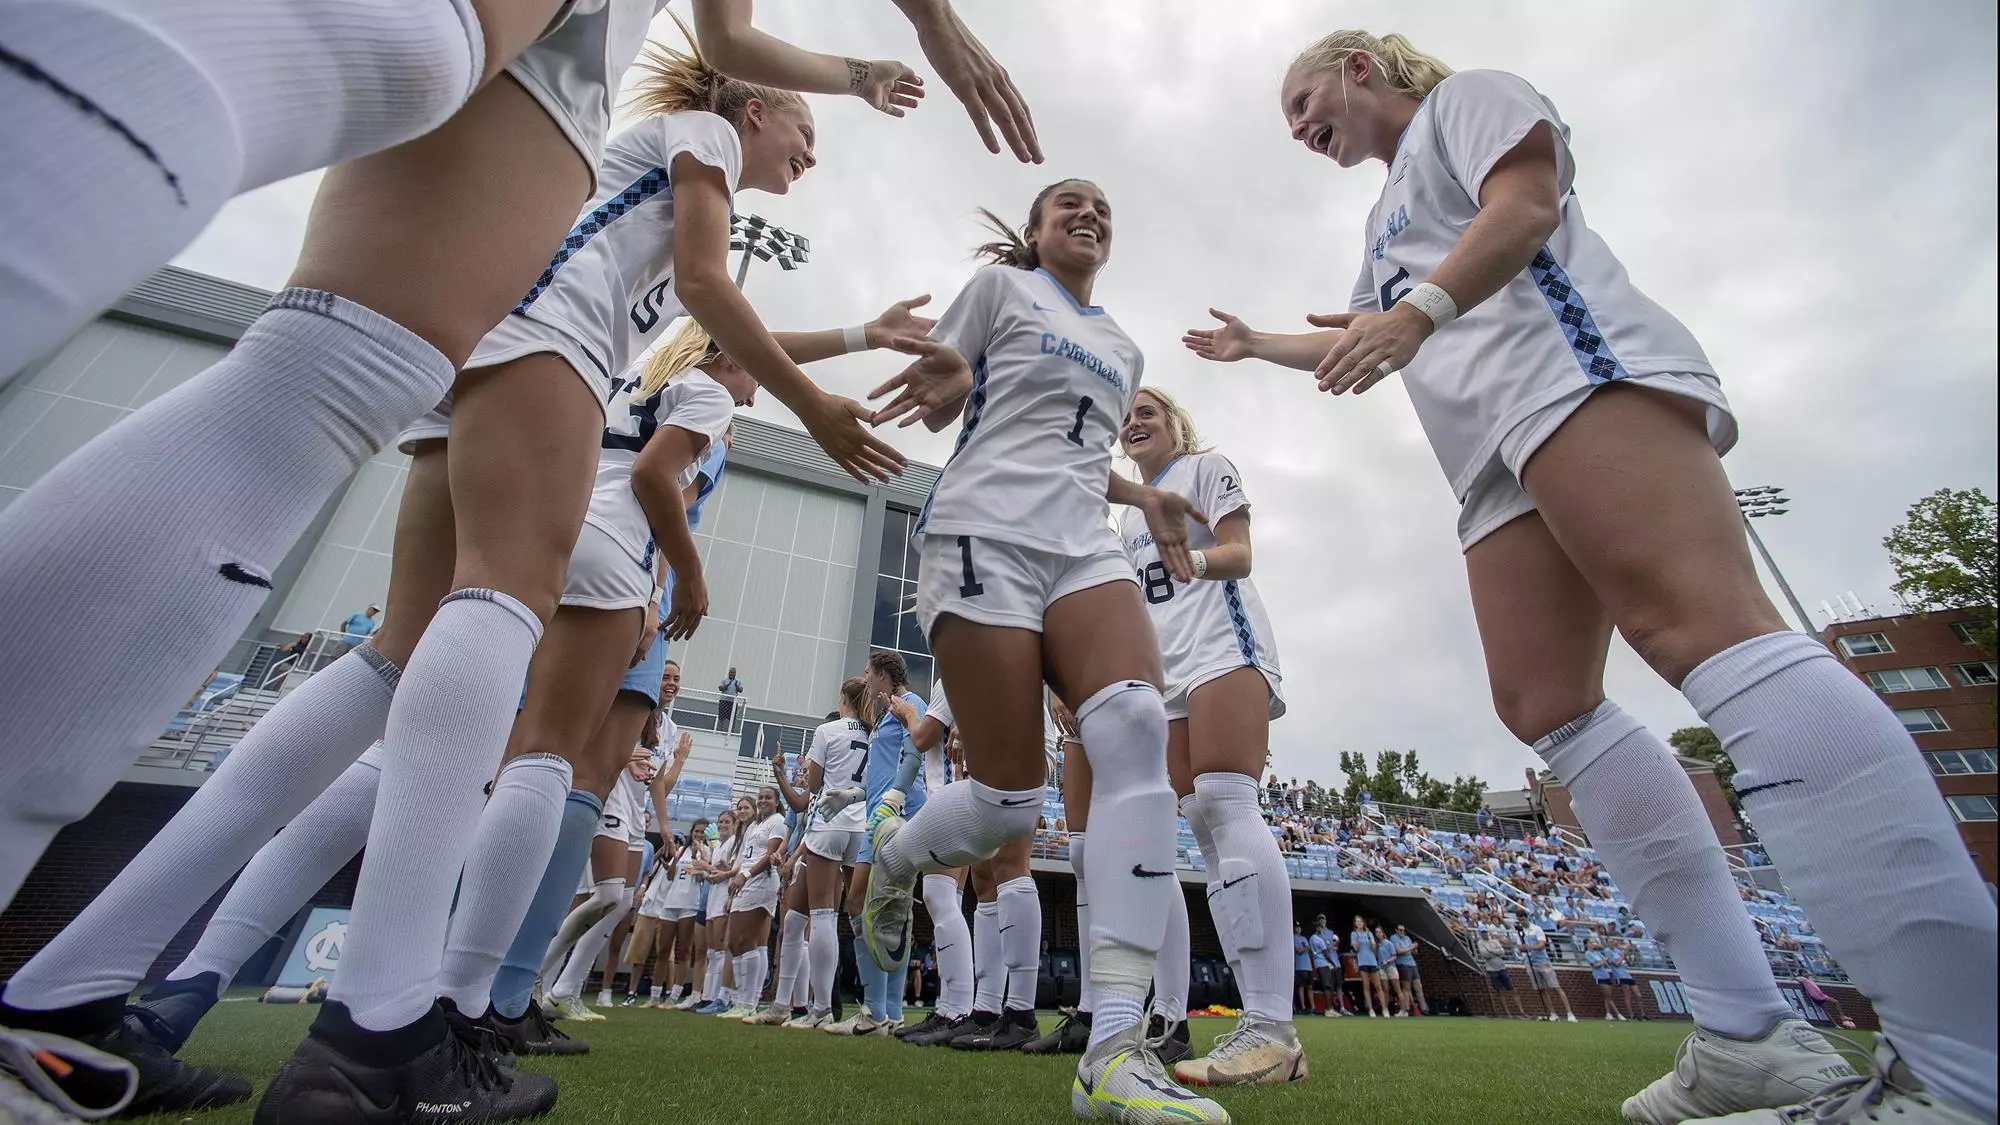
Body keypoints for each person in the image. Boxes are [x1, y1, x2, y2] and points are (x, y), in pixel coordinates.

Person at [1183, 24, 2000, 1125]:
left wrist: (1413, 315)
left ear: (1359, 68)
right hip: (1490, 457)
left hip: (1565, 377)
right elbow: (1364, 334)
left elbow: (1522, 206)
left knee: (1702, 630)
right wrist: (1256, 346)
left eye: (1301, 99)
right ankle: (1745, 1034)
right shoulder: (1381, 221)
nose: (1297, 127)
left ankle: (1963, 1066)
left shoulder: (1463, 100)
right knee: (1543, 703)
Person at [858, 180, 1228, 1122]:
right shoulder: (997, 294)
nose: (1089, 213)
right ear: (1032, 232)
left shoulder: (1124, 345)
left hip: (1080, 543)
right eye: (1067, 203)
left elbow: (1073, 450)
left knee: (1140, 724)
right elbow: (947, 400)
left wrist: (1140, 497)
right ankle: (900, 857)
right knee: (1010, 800)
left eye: (1103, 204)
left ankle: (1113, 1047)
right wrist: (945, 380)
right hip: (980, 533)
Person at [1110, 384, 1300, 1085]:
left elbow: (1240, 552)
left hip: (1224, 645)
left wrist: (1195, 560)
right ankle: (1260, 1024)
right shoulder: (1126, 515)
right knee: (1201, 820)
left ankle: (1273, 1025)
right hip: (1169, 670)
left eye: (1147, 412)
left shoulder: (1206, 468)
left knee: (1226, 800)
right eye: (1126, 417)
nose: (1134, 423)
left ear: (1174, 424)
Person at [788, 680, 873, 1030]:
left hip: (829, 820)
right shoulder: (874, 732)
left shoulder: (826, 730)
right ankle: (874, 1004)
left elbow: (811, 787)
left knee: (822, 915)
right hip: (862, 823)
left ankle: (821, 1007)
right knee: (858, 916)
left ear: (842, 700)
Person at [723, 787, 789, 1020]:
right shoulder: (753, 826)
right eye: (760, 797)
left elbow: (770, 857)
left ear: (776, 801)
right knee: (736, 943)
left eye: (767, 797)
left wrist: (746, 875)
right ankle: (740, 999)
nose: (762, 801)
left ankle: (749, 1001)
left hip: (760, 882)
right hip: (744, 883)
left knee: (749, 941)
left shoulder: (779, 821)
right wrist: (736, 881)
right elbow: (743, 858)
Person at [1519, 922, 1574, 1023]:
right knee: (1542, 989)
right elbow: (1521, 947)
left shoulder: (1537, 929)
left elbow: (1542, 944)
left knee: (1556, 987)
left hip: (1543, 961)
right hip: (1530, 962)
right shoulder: (1521, 932)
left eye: (1522, 919)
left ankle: (1569, 1013)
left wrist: (1529, 947)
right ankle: (1552, 1013)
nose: (1521, 921)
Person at [1477, 927, 1529, 1020]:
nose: (1484, 934)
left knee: (1512, 989)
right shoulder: (1480, 943)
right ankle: (1507, 1013)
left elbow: (1502, 951)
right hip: (1491, 969)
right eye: (1482, 932)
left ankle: (1522, 1012)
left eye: (1485, 932)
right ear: (1480, 933)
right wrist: (1495, 952)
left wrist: (1492, 951)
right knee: (1500, 992)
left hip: (1502, 967)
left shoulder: (1494, 941)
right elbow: (1485, 954)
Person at [1351, 915, 1384, 1018]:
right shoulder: (1353, 934)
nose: (1360, 923)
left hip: (1372, 961)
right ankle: (1370, 1009)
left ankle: (1384, 1009)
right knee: (1366, 987)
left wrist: (1369, 937)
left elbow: (1374, 947)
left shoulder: (1369, 933)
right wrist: (1358, 937)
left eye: (1361, 921)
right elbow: (1356, 949)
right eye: (1357, 921)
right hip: (1362, 961)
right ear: (1355, 924)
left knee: (1378, 986)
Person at [1391, 924, 1427, 1017]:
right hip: (1403, 964)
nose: (1402, 932)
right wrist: (1411, 947)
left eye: (1403, 930)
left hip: (1412, 964)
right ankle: (1406, 1010)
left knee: (1418, 986)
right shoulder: (1394, 938)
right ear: (1396, 930)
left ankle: (1424, 1009)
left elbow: (1413, 953)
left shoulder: (1407, 938)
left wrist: (1415, 948)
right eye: (1400, 930)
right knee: (1406, 988)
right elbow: (1398, 951)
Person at [1586, 937, 1624, 1021]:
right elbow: (1595, 965)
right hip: (1599, 975)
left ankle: (1608, 1013)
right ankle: (1618, 1014)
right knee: (1608, 996)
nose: (1593, 945)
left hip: (1606, 974)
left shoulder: (1598, 953)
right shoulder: (1588, 953)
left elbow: (1606, 961)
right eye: (1591, 944)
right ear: (1588, 945)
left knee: (1607, 996)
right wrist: (1603, 961)